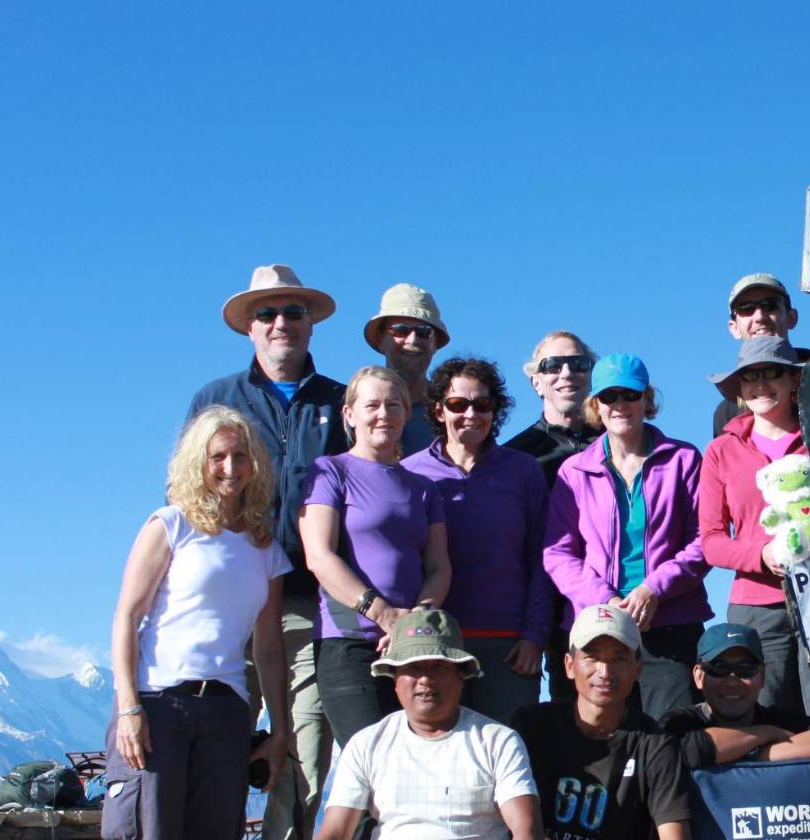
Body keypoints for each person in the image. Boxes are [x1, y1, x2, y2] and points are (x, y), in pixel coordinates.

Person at [185, 264, 344, 840]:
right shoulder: (214, 399)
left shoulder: (343, 402)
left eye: (293, 312)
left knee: (303, 751)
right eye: (267, 314)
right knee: (217, 747)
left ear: (311, 325)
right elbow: (188, 494)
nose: (281, 323)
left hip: (308, 602)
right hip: (230, 603)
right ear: (249, 328)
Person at [105, 406, 292, 840]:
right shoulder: (171, 525)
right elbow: (127, 617)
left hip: (227, 709)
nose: (231, 468)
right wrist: (130, 708)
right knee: (149, 829)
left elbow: (268, 649)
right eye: (219, 457)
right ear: (199, 463)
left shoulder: (265, 549)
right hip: (158, 702)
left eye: (241, 456)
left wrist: (280, 732)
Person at [699, 336, 810, 726]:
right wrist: (760, 556)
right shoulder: (721, 452)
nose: (760, 384)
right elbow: (711, 541)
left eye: (772, 373)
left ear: (793, 380)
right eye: (750, 377)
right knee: (760, 723)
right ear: (740, 389)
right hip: (756, 607)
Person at [542, 353, 712, 718]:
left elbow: (705, 539)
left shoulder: (682, 460)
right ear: (595, 406)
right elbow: (558, 553)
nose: (620, 405)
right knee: (604, 739)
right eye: (609, 397)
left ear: (647, 400)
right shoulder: (574, 471)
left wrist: (653, 590)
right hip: (596, 630)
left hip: (670, 627)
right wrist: (604, 602)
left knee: (672, 739)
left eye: (630, 395)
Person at [301, 366, 452, 746]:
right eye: (372, 405)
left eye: (394, 405)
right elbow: (319, 556)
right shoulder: (330, 472)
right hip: (349, 641)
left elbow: (438, 565)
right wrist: (383, 614)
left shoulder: (423, 487)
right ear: (349, 414)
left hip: (411, 646)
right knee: (369, 763)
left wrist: (417, 616)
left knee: (413, 764)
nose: (383, 414)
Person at [403, 356, 553, 722]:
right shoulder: (410, 472)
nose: (470, 414)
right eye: (458, 404)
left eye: (482, 404)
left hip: (508, 648)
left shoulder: (523, 471)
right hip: (434, 644)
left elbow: (543, 558)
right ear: (438, 410)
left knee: (508, 759)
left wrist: (534, 636)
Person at [317, 610, 542, 840]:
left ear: (461, 675)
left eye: (437, 667)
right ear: (394, 678)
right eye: (413, 667)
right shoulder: (365, 745)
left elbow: (527, 830)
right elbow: (334, 832)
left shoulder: (498, 741)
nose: (425, 679)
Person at [512, 605, 690, 840]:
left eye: (618, 659)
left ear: (638, 668)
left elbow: (674, 834)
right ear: (568, 665)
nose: (605, 672)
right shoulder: (530, 727)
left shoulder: (656, 745)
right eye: (592, 657)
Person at [503, 331, 601, 703]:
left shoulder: (620, 440)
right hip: (551, 602)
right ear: (536, 381)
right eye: (552, 366)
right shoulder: (517, 455)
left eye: (577, 364)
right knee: (569, 708)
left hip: (618, 592)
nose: (566, 373)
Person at [660, 623, 810, 770]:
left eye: (746, 669)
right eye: (720, 668)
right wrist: (766, 734)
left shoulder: (779, 720)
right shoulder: (682, 722)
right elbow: (690, 749)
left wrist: (760, 754)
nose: (733, 680)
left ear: (762, 676)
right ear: (699, 676)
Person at [709, 273, 809, 437]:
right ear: (733, 328)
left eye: (770, 305)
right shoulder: (726, 414)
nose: (759, 317)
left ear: (792, 318)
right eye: (746, 308)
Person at [364, 283, 451, 455]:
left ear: (435, 344)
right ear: (381, 340)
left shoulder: (453, 411)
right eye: (401, 331)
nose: (413, 340)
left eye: (424, 332)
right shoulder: (357, 409)